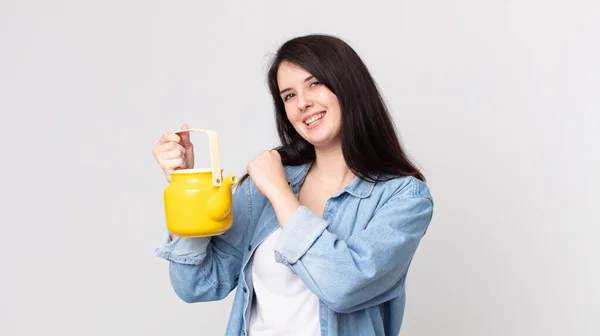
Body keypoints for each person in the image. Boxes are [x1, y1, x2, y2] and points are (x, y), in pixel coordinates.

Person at [152, 34, 434, 336]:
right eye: (289, 95)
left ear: (349, 85)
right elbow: (197, 285)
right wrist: (186, 187)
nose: (303, 103)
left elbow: (344, 287)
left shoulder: (403, 197)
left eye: (315, 83)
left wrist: (280, 194)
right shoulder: (264, 185)